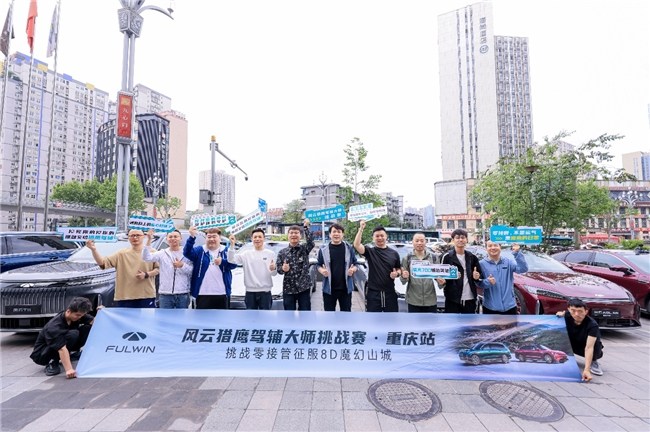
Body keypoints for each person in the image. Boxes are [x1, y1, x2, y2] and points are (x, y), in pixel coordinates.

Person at [87, 229, 159, 308]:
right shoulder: (121, 254)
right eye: (132, 236)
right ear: (128, 238)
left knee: (146, 316)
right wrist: (93, 250)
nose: (135, 238)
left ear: (143, 237)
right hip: (125, 296)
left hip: (146, 295)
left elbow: (158, 269)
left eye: (138, 235)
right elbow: (103, 264)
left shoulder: (152, 252)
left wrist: (146, 274)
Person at [30, 297, 98, 378]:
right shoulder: (54, 326)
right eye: (78, 315)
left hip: (61, 345)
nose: (79, 317)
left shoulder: (77, 315)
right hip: (43, 354)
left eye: (81, 315)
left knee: (87, 328)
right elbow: (62, 348)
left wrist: (101, 312)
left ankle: (70, 354)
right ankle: (53, 361)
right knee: (73, 334)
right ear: (68, 311)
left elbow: (95, 322)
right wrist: (69, 370)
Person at [184, 226, 238, 309]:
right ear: (205, 238)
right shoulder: (200, 250)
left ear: (220, 238)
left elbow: (233, 265)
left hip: (222, 293)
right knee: (200, 317)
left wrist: (222, 262)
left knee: (222, 317)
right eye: (209, 237)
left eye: (214, 236)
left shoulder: (226, 250)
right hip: (202, 293)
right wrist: (192, 237)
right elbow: (187, 253)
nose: (211, 239)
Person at [353, 220, 402, 312]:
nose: (380, 238)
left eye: (382, 235)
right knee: (373, 319)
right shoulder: (370, 252)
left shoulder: (394, 253)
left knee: (391, 318)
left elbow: (399, 269)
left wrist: (397, 274)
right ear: (373, 238)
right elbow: (357, 245)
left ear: (386, 236)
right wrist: (361, 229)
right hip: (373, 293)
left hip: (390, 292)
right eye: (377, 236)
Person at [142, 229, 193, 309]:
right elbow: (146, 258)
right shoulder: (162, 253)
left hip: (183, 293)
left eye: (175, 236)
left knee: (182, 316)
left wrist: (182, 265)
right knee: (164, 316)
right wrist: (148, 240)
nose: (173, 238)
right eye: (170, 237)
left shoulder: (187, 253)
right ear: (167, 239)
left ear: (181, 238)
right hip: (165, 294)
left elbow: (192, 271)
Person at [227, 228, 277, 310]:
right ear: (252, 239)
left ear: (264, 238)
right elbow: (231, 260)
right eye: (255, 237)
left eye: (260, 237)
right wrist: (232, 246)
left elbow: (274, 273)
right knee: (250, 316)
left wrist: (273, 268)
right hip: (250, 292)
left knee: (265, 316)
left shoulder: (270, 254)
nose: (257, 239)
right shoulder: (246, 254)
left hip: (265, 292)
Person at [556, 298, 604, 381]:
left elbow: (589, 348)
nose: (576, 314)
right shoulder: (567, 315)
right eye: (573, 311)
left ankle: (593, 361)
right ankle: (565, 358)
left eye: (580, 311)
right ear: (569, 309)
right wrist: (559, 314)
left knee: (595, 345)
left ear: (586, 311)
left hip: (586, 346)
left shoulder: (592, 325)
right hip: (572, 344)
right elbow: (560, 314)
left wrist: (586, 370)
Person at [436, 229, 482, 313]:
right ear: (453, 240)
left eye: (463, 237)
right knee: (452, 320)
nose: (460, 240)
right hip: (452, 298)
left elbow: (479, 276)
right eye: (457, 238)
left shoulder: (472, 257)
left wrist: (477, 277)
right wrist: (442, 281)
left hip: (470, 298)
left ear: (466, 240)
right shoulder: (446, 257)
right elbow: (440, 274)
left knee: (470, 321)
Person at [478, 241, 528, 314]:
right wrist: (487, 282)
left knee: (512, 322)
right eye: (490, 246)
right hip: (490, 307)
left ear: (500, 247)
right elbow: (478, 283)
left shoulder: (508, 262)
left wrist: (516, 252)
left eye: (495, 245)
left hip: (510, 307)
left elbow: (523, 269)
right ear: (486, 248)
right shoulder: (481, 264)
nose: (493, 248)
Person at [317, 223, 359, 312]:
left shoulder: (349, 248)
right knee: (329, 314)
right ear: (330, 234)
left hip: (345, 289)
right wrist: (322, 270)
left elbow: (356, 263)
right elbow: (318, 265)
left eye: (339, 232)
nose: (336, 234)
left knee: (346, 314)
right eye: (334, 232)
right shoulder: (323, 250)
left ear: (342, 234)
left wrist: (352, 269)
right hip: (329, 289)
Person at [276, 219, 315, 311]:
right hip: (288, 288)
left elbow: (311, 242)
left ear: (300, 235)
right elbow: (279, 270)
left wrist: (306, 227)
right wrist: (283, 269)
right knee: (289, 314)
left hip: (304, 287)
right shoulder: (282, 252)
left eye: (296, 233)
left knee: (305, 313)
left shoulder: (304, 249)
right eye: (291, 233)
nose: (293, 235)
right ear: (288, 235)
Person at [399, 232, 440, 313]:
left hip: (430, 300)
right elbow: (403, 281)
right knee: (414, 321)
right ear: (412, 242)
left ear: (425, 242)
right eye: (417, 241)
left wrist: (441, 282)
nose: (419, 243)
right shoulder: (407, 258)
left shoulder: (433, 258)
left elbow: (439, 277)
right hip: (413, 300)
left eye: (422, 241)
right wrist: (404, 277)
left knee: (431, 321)